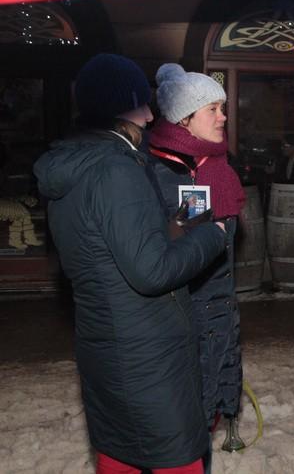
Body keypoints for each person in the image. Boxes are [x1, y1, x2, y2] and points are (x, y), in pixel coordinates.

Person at [33, 53, 227, 474]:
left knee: (120, 455)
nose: (151, 113)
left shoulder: (78, 164)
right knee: (176, 459)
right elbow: (150, 271)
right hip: (147, 358)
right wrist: (214, 235)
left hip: (107, 347)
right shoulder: (115, 169)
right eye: (143, 103)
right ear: (127, 106)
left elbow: (113, 245)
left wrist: (176, 225)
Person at [146, 63, 247, 459]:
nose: (223, 117)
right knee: (192, 405)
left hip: (218, 303)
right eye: (213, 109)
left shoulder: (212, 165)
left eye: (223, 108)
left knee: (215, 385)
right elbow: (176, 248)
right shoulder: (167, 170)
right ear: (184, 118)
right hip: (189, 312)